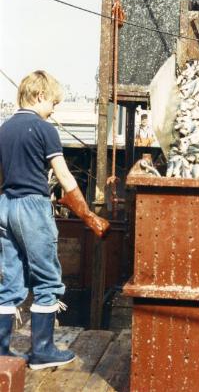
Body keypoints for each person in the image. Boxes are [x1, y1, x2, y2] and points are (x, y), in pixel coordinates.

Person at [0, 70, 110, 369]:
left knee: (11, 281)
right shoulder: (45, 130)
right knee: (47, 278)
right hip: (33, 207)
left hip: (6, 206)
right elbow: (63, 175)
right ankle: (43, 352)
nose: (54, 109)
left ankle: (2, 353)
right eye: (53, 103)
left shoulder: (4, 129)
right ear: (39, 97)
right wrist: (88, 215)